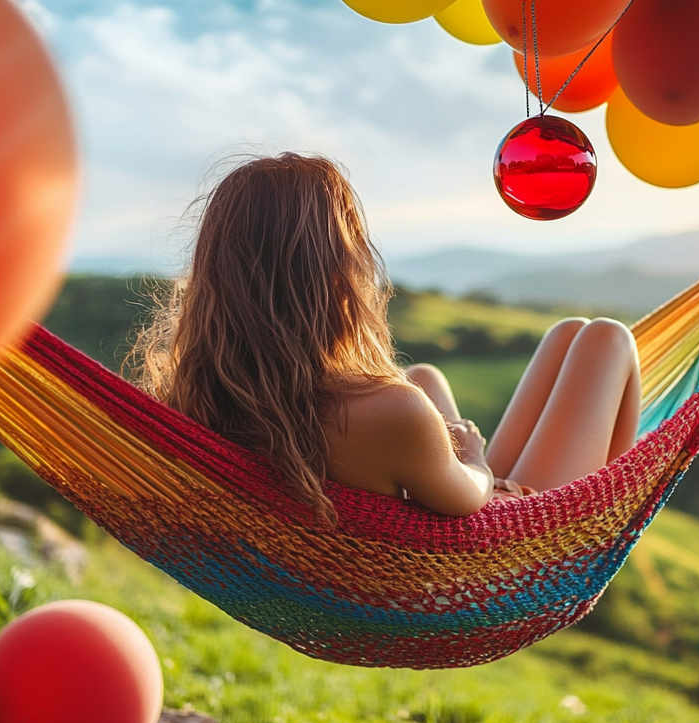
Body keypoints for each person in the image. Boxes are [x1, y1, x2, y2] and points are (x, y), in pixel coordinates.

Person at [132, 153, 640, 521]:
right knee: (607, 339)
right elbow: (470, 496)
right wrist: (475, 456)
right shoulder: (392, 414)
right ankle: (603, 530)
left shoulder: (202, 402)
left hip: (421, 524)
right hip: (511, 555)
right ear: (336, 276)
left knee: (460, 365)